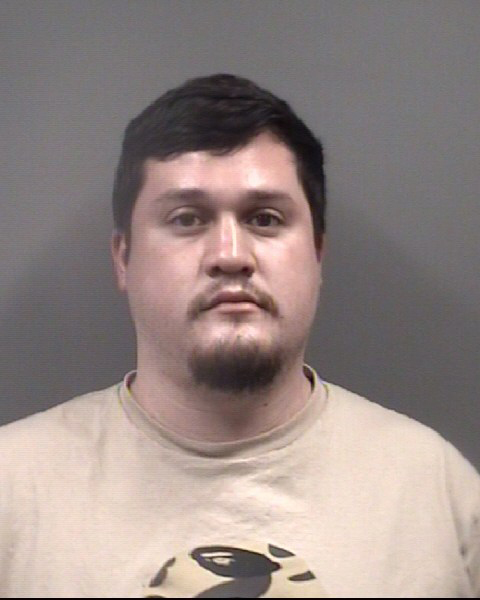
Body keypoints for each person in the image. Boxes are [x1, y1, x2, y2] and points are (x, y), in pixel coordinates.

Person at [0, 74, 478, 598]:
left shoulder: (440, 495)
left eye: (265, 219)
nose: (229, 255)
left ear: (317, 254)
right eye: (187, 219)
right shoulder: (13, 490)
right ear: (123, 258)